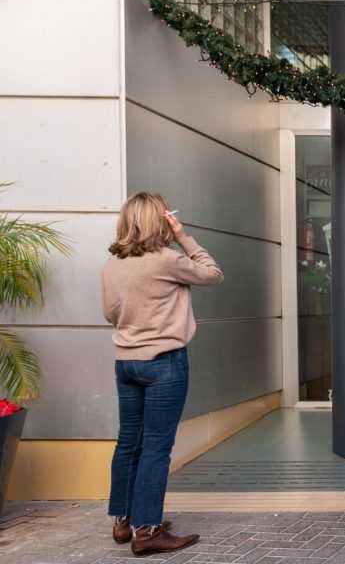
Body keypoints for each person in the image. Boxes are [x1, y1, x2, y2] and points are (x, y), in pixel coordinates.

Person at [101, 193, 223, 555]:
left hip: (126, 362)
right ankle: (148, 531)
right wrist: (183, 234)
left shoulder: (111, 264)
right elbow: (213, 273)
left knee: (129, 442)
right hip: (164, 362)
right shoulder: (166, 260)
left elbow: (110, 313)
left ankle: (124, 522)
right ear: (160, 221)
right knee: (156, 446)